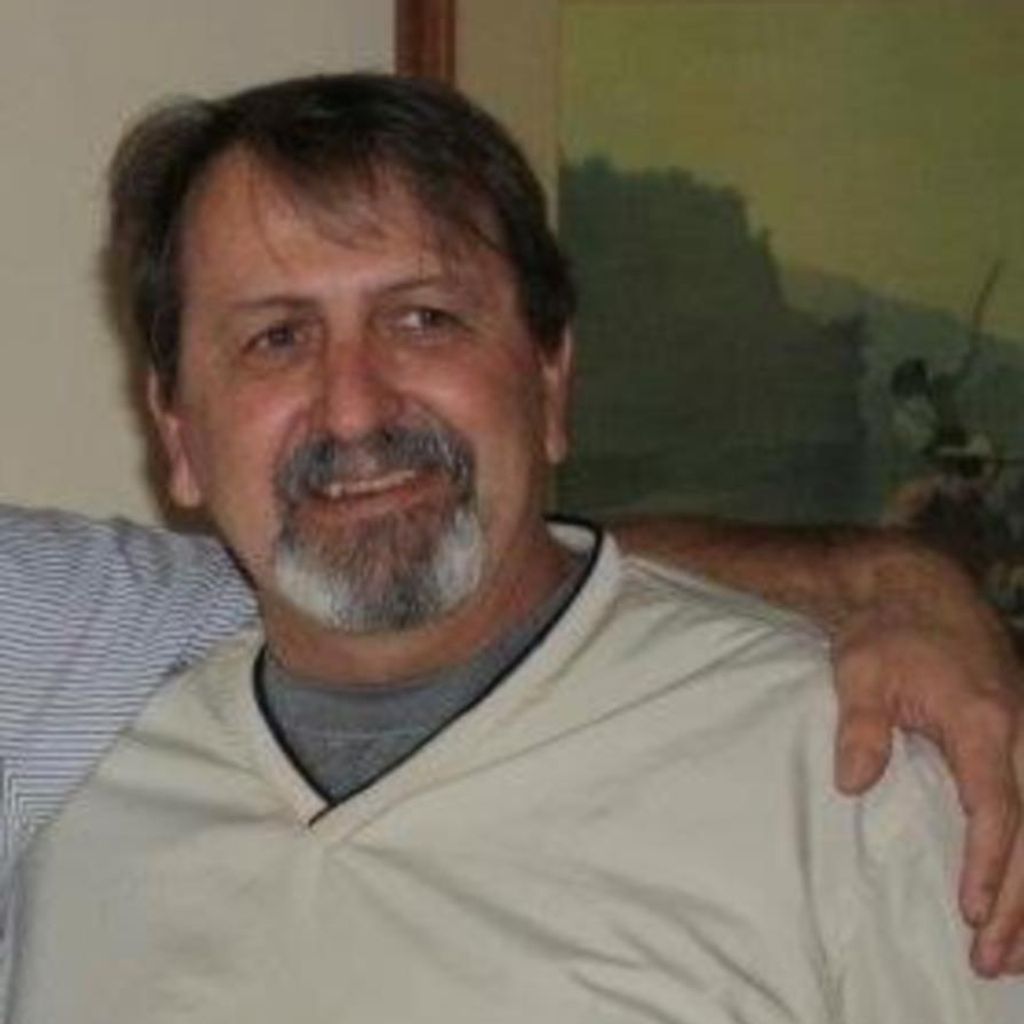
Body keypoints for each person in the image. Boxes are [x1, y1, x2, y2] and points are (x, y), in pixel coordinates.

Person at [6, 73, 1024, 1020]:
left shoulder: (848, 779)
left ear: (548, 378)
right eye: (276, 338)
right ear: (178, 434)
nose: (354, 407)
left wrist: (889, 577)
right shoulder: (86, 790)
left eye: (424, 319)